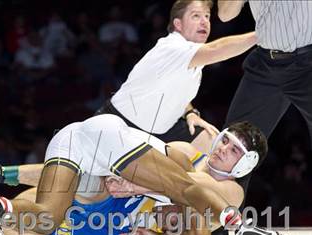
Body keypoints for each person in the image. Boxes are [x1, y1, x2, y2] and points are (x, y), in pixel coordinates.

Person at [0, 120, 294, 235]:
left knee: (42, 220)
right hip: (114, 169)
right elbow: (186, 188)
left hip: (79, 147)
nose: (222, 148)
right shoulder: (182, 152)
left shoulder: (232, 190)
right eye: (224, 139)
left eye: (233, 149)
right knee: (174, 186)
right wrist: (137, 182)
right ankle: (242, 229)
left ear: (245, 164)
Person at [96, 0, 257, 143]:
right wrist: (261, 35)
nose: (204, 22)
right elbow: (216, 49)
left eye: (207, 16)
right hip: (119, 125)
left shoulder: (192, 57)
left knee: (212, 141)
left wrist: (190, 113)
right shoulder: (172, 47)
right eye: (196, 16)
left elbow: (175, 92)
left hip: (159, 132)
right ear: (178, 25)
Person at [217, 1, 312, 192]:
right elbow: (225, 14)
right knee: (234, 145)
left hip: (308, 63)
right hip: (265, 64)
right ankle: (223, 218)